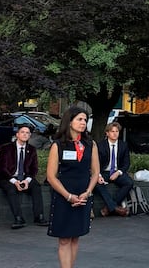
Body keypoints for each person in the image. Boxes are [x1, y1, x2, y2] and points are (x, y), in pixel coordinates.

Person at [46, 106, 100, 268]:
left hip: (83, 196)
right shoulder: (58, 145)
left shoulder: (91, 144)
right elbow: (51, 176)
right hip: (63, 196)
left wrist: (88, 192)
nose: (83, 123)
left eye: (85, 120)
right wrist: (68, 196)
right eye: (79, 119)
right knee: (64, 239)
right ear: (69, 122)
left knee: (76, 237)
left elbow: (96, 172)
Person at [0, 125, 48, 229]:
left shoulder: (31, 149)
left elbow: (34, 168)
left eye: (27, 133)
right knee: (11, 189)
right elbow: (3, 168)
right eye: (22, 132)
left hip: (24, 177)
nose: (25, 134)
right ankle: (19, 218)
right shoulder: (6, 148)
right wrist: (15, 182)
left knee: (36, 186)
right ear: (17, 135)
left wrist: (27, 181)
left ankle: (39, 216)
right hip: (7, 177)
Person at [93, 121, 132, 217]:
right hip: (103, 172)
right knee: (97, 184)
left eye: (117, 131)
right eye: (112, 131)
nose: (115, 133)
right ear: (107, 133)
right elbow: (95, 162)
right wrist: (98, 175)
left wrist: (118, 172)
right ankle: (115, 208)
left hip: (116, 172)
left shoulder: (123, 145)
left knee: (129, 183)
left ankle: (107, 208)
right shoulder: (100, 145)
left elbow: (126, 163)